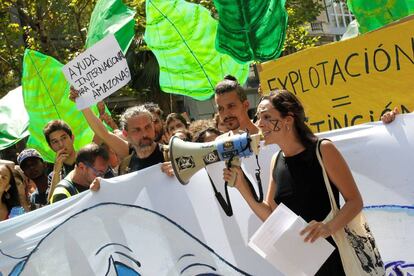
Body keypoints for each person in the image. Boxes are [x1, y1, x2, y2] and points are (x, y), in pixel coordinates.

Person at [225, 90, 364, 275]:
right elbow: (271, 215)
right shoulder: (277, 160)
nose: (259, 124)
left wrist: (327, 228)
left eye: (266, 117)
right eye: (258, 117)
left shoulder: (323, 150)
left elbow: (355, 201)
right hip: (303, 266)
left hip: (336, 261)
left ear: (288, 120)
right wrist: (242, 186)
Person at [69, 87, 173, 177]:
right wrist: (81, 103)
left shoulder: (172, 153)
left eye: (147, 127)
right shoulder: (126, 161)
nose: (144, 134)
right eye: (137, 130)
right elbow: (103, 133)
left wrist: (181, 171)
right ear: (126, 134)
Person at [43, 120, 77, 201]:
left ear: (72, 138)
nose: (61, 145)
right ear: (51, 147)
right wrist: (56, 171)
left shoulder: (87, 158)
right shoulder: (53, 175)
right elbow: (52, 203)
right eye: (55, 142)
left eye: (64, 138)